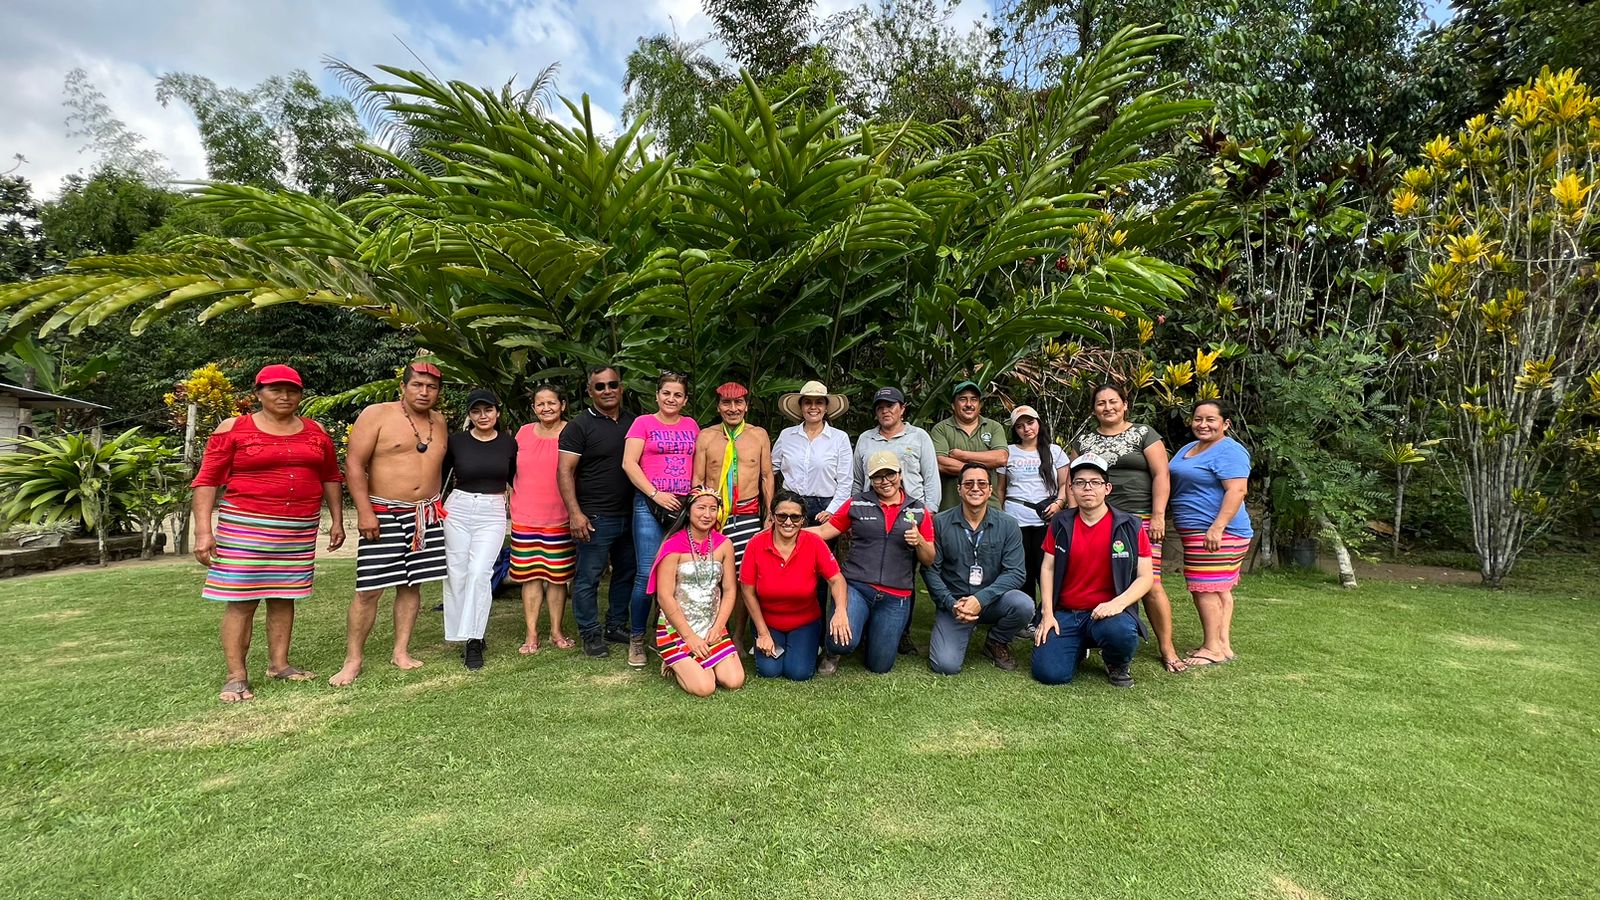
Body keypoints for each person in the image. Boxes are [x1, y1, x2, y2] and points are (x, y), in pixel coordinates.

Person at [192, 364, 344, 702]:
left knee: (284, 595)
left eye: (292, 390)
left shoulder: (316, 431)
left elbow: (331, 476)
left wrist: (337, 520)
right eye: (275, 389)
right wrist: (203, 531)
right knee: (241, 600)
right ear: (258, 393)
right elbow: (207, 480)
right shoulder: (233, 428)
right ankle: (236, 676)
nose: (284, 396)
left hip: (298, 528)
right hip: (245, 525)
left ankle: (279, 665)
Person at [330, 361, 450, 686]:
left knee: (412, 584)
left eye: (431, 387)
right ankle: (353, 659)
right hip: (383, 512)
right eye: (417, 385)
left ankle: (401, 651)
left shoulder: (439, 421)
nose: (424, 392)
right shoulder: (377, 414)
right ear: (403, 387)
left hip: (425, 514)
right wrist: (365, 511)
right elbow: (354, 464)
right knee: (369, 589)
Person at [1070, 384, 1185, 672]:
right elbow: (1073, 481)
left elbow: (1161, 475)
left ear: (1125, 405)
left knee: (1151, 583)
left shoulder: (1144, 434)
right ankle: (1087, 637)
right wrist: (1072, 517)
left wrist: (1158, 515)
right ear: (1093, 409)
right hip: (1096, 519)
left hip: (1139, 518)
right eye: (1100, 403)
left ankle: (1167, 648)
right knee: (1093, 578)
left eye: (1113, 401)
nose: (1107, 407)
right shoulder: (1083, 440)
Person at [1030, 454, 1154, 688]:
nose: (1087, 488)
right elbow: (1047, 567)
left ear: (1107, 488)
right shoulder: (1060, 523)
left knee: (1120, 631)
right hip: (1066, 612)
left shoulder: (1130, 525)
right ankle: (1077, 647)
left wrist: (1118, 603)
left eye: (1095, 482)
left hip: (1108, 613)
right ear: (1071, 489)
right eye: (1080, 482)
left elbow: (1146, 577)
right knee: (1049, 674)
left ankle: (1116, 662)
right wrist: (1047, 614)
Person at [813, 451, 936, 675]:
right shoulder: (857, 503)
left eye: (890, 474)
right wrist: (783, 532)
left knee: (880, 665)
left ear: (900, 474)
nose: (885, 481)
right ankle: (832, 651)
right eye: (878, 476)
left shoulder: (918, 509)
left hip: (896, 594)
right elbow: (824, 531)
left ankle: (867, 632)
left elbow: (929, 558)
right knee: (842, 643)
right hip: (857, 586)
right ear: (871, 479)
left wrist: (919, 541)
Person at [851, 386, 940, 655]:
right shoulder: (866, 439)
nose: (885, 411)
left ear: (902, 409)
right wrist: (855, 513)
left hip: (910, 516)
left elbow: (931, 478)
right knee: (868, 574)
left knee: (905, 576)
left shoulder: (919, 437)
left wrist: (928, 515)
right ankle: (865, 629)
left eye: (891, 406)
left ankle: (902, 633)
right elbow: (857, 480)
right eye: (880, 407)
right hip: (873, 513)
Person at [558, 364, 638, 659]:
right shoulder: (579, 426)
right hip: (594, 516)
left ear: (621, 388)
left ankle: (615, 625)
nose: (607, 390)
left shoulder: (633, 422)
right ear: (589, 391)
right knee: (588, 577)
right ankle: (590, 633)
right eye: (600, 386)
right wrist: (575, 513)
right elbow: (564, 471)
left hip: (631, 514)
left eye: (612, 384)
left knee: (626, 573)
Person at [620, 373, 699, 668]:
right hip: (649, 503)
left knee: (680, 573)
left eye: (678, 395)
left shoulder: (691, 426)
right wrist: (655, 494)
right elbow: (629, 463)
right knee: (646, 572)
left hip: (683, 505)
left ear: (685, 400)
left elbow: (699, 461)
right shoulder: (643, 423)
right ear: (657, 395)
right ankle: (637, 638)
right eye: (666, 393)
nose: (671, 399)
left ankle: (670, 634)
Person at [923, 464, 1033, 674]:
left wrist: (980, 599)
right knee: (945, 665)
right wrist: (951, 603)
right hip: (955, 605)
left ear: (990, 490)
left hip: (992, 601)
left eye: (982, 483)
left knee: (1023, 605)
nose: (975, 488)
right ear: (959, 489)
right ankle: (961, 626)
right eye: (969, 483)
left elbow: (1016, 572)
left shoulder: (1008, 524)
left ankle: (996, 641)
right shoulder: (940, 522)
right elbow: (930, 570)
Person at [1168, 400, 1252, 668]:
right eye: (1198, 419)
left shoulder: (1230, 451)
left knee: (1203, 588)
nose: (1203, 424)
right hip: (1200, 530)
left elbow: (1237, 490)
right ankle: (1222, 645)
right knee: (1218, 588)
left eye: (1210, 419)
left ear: (1225, 424)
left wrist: (1217, 527)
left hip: (1216, 531)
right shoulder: (1189, 448)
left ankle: (1212, 647)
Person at [440, 388, 516, 670]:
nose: (483, 416)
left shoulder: (509, 443)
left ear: (497, 412)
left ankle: (474, 637)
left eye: (488, 410)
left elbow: (515, 477)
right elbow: (441, 475)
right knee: (456, 572)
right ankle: (464, 634)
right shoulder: (456, 441)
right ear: (470, 415)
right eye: (476, 411)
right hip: (458, 507)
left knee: (480, 572)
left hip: (492, 509)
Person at [739, 490, 848, 681]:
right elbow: (747, 591)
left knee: (798, 673)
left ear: (803, 520)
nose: (788, 522)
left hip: (805, 621)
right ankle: (767, 641)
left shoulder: (814, 542)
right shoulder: (755, 544)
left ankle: (806, 646)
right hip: (767, 622)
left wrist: (840, 610)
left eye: (795, 517)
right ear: (773, 516)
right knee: (769, 671)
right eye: (782, 516)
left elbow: (836, 579)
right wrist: (763, 633)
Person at [648, 488, 746, 697]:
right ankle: (675, 662)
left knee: (734, 681)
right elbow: (664, 596)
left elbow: (730, 590)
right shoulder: (673, 545)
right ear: (688, 510)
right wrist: (689, 637)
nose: (707, 514)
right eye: (701, 508)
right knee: (705, 687)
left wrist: (718, 627)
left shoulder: (724, 545)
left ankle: (697, 662)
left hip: (711, 626)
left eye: (713, 509)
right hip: (677, 629)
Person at [509, 384, 574, 654]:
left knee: (558, 578)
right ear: (534, 408)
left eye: (552, 403)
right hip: (525, 516)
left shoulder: (573, 432)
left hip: (560, 517)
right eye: (540, 404)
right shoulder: (523, 433)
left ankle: (556, 631)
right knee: (530, 577)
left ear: (562, 405)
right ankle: (531, 634)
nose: (546, 408)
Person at [995, 405, 1068, 616]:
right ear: (1014, 430)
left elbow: (1065, 484)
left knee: (1046, 567)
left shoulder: (1055, 451)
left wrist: (1059, 504)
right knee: (1022, 569)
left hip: (1046, 518)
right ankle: (1025, 615)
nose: (1026, 429)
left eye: (1030, 423)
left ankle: (1047, 612)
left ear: (1038, 423)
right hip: (1016, 518)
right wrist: (1001, 515)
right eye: (1020, 426)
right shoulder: (1008, 452)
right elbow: (1001, 488)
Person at [693, 382, 773, 570]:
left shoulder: (759, 435)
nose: (733, 409)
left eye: (738, 402)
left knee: (745, 571)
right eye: (726, 403)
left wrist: (769, 514)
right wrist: (697, 515)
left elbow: (767, 476)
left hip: (748, 512)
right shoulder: (706, 436)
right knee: (712, 570)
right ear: (718, 407)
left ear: (746, 406)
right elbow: (698, 479)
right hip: (713, 514)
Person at [772, 380, 853, 525]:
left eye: (819, 402)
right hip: (789, 505)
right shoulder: (786, 435)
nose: (813, 407)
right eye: (808, 402)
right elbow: (770, 469)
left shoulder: (839, 438)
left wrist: (832, 510)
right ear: (801, 407)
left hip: (824, 508)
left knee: (820, 541)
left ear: (826, 408)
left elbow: (845, 482)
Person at [929, 380, 1008, 512]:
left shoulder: (994, 427)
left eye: (974, 399)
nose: (969, 404)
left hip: (990, 507)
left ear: (980, 405)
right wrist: (983, 470)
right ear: (953, 405)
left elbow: (1001, 458)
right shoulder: (941, 429)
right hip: (951, 508)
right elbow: (941, 463)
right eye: (963, 399)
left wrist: (961, 455)